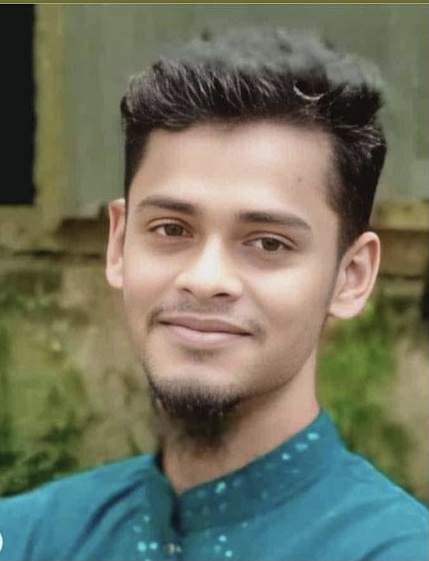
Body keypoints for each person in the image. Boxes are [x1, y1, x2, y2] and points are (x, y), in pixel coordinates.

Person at [0, 27, 427, 561]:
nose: (205, 279)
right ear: (118, 244)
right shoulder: (26, 537)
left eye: (268, 243)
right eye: (171, 229)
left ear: (352, 277)